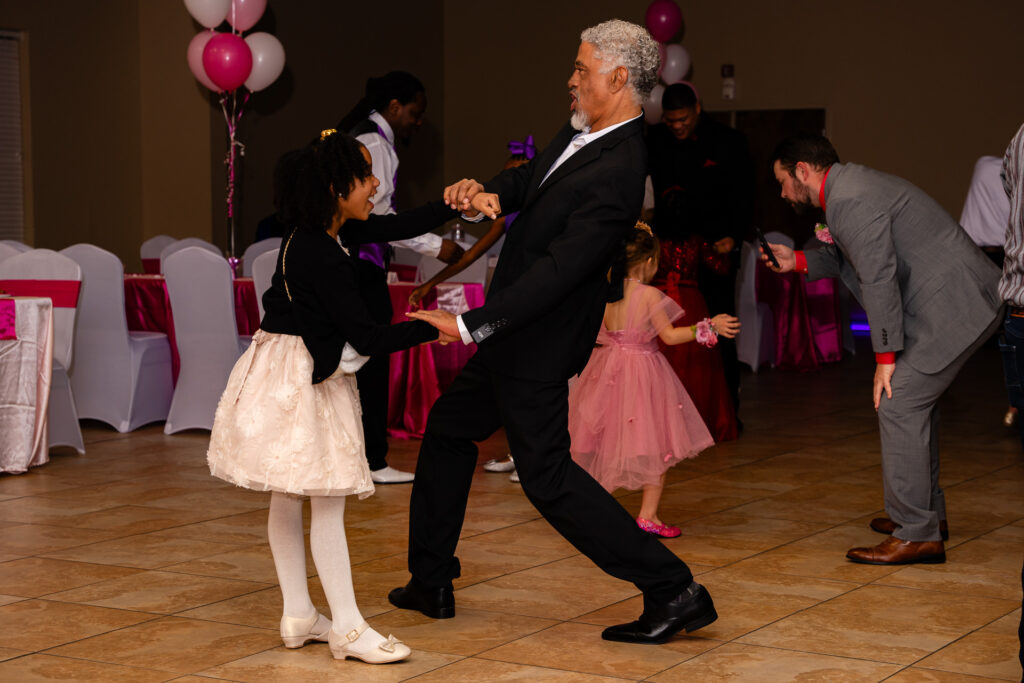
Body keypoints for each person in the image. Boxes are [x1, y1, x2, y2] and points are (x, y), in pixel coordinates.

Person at [389, 19, 719, 645]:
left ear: (619, 79)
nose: (570, 80)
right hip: (513, 336)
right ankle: (430, 578)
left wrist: (467, 324)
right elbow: (530, 182)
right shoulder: (585, 136)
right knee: (451, 430)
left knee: (549, 480)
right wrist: (486, 192)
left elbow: (558, 274)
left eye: (581, 69)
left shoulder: (620, 169)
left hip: (533, 340)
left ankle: (673, 589)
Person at [206, 130, 461, 664]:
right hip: (302, 381)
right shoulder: (322, 254)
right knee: (325, 500)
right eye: (364, 177)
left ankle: (300, 612)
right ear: (333, 188)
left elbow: (397, 223)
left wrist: (451, 202)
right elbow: (367, 339)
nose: (374, 185)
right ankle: (346, 627)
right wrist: (432, 325)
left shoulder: (314, 233)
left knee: (288, 493)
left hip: (282, 370)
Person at [763, 135, 1002, 565]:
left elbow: (878, 276)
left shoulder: (848, 200)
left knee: (899, 402)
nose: (782, 193)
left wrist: (885, 358)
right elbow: (845, 259)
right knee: (914, 406)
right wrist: (796, 261)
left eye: (782, 181)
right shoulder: (850, 188)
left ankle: (917, 533)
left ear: (802, 170)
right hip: (955, 302)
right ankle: (925, 517)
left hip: (956, 306)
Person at [569, 222, 738, 538]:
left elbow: (593, 334)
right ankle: (648, 516)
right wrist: (708, 326)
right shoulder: (648, 295)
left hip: (607, 370)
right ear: (648, 262)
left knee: (605, 444)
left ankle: (592, 512)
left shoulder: (606, 292)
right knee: (654, 444)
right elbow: (670, 336)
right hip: (643, 373)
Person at [337, 71, 465, 485]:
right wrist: (437, 246)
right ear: (395, 107)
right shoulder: (373, 142)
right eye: (416, 111)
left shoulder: (371, 137)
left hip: (361, 260)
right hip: (362, 263)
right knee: (370, 361)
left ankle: (362, 457)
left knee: (360, 360)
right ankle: (373, 460)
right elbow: (380, 218)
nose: (419, 120)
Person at [646, 82, 753, 437]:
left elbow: (745, 195)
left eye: (683, 119)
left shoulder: (727, 141)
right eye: (671, 121)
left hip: (714, 252)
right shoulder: (655, 140)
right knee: (662, 335)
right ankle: (666, 419)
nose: (677, 126)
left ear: (698, 110)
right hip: (666, 254)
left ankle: (721, 414)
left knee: (719, 329)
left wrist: (734, 237)